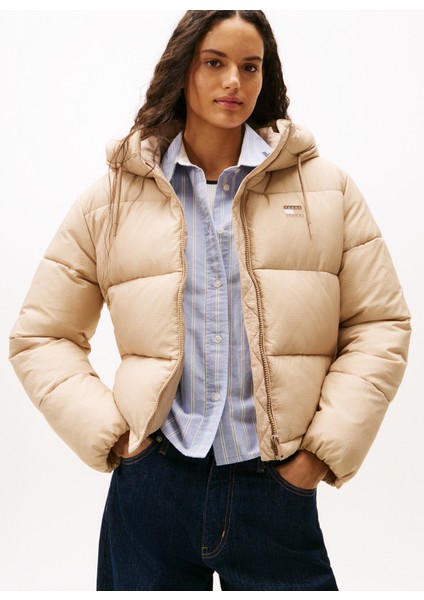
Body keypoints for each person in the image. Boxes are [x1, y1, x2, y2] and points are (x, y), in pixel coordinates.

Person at [9, 10, 411, 592]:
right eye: (214, 63)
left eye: (250, 67)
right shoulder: (112, 200)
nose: (233, 82)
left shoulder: (326, 190)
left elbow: (380, 324)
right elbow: (41, 335)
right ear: (183, 70)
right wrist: (116, 438)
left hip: (276, 489)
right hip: (153, 487)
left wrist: (316, 459)